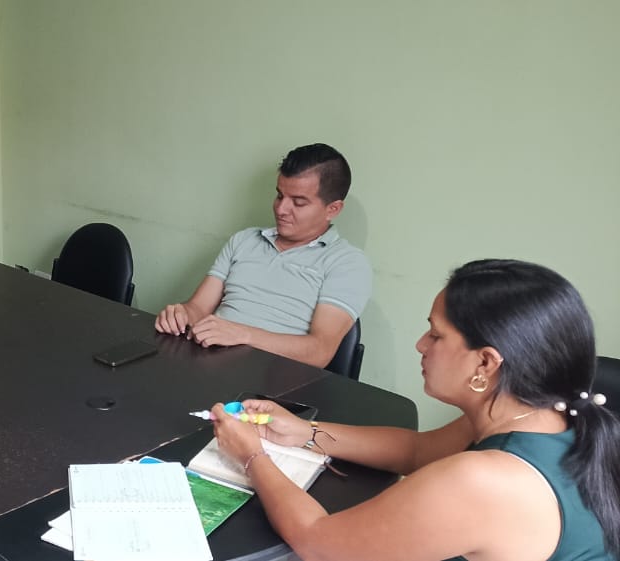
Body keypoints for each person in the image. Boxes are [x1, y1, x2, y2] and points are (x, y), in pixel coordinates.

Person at [211, 259, 619, 561]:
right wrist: (305, 432)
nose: (421, 345)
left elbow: (318, 543)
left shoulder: (487, 480)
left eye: (436, 335)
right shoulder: (546, 416)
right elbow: (416, 450)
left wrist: (251, 455)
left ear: (485, 363)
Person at [155, 143, 372, 368]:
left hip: (273, 377)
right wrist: (181, 315)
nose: (281, 209)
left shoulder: (347, 263)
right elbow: (198, 308)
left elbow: (319, 351)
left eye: (298, 202)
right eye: (279, 196)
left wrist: (242, 334)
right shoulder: (244, 240)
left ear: (333, 209)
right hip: (207, 362)